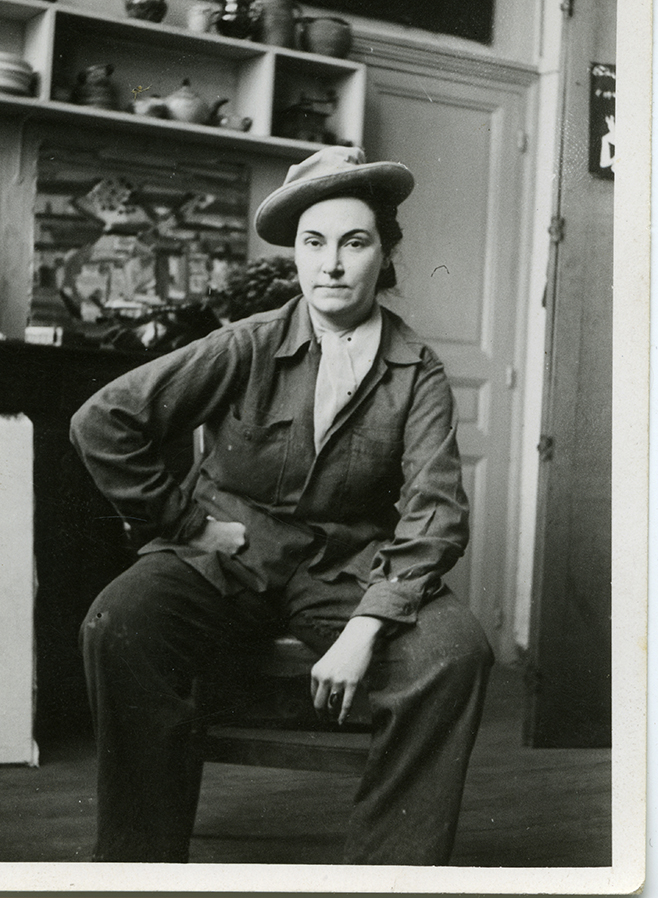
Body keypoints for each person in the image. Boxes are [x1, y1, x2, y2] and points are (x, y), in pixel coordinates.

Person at [71, 146, 493, 865]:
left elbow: (436, 510)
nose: (331, 263)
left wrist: (366, 625)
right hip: (225, 556)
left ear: (384, 253)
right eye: (313, 242)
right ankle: (140, 868)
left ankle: (390, 877)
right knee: (118, 625)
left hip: (347, 569)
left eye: (354, 242)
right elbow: (104, 420)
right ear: (295, 254)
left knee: (455, 653)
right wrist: (185, 523)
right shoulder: (248, 343)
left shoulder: (416, 369)